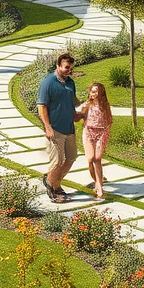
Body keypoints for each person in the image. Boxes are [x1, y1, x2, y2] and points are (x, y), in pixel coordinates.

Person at [36, 53, 79, 203]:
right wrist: (48, 127)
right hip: (56, 129)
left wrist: (82, 112)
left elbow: (72, 103)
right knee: (58, 162)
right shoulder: (48, 82)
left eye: (71, 68)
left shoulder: (70, 83)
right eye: (66, 67)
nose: (69, 71)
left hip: (69, 129)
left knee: (71, 158)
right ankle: (51, 187)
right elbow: (42, 107)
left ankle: (55, 183)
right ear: (58, 66)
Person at [76, 83, 113, 199]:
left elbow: (109, 120)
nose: (92, 94)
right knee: (90, 158)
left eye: (95, 91)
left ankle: (99, 186)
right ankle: (96, 179)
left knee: (97, 159)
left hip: (101, 134)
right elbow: (79, 117)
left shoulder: (105, 106)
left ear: (101, 93)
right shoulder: (87, 105)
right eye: (91, 91)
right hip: (88, 133)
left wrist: (105, 133)